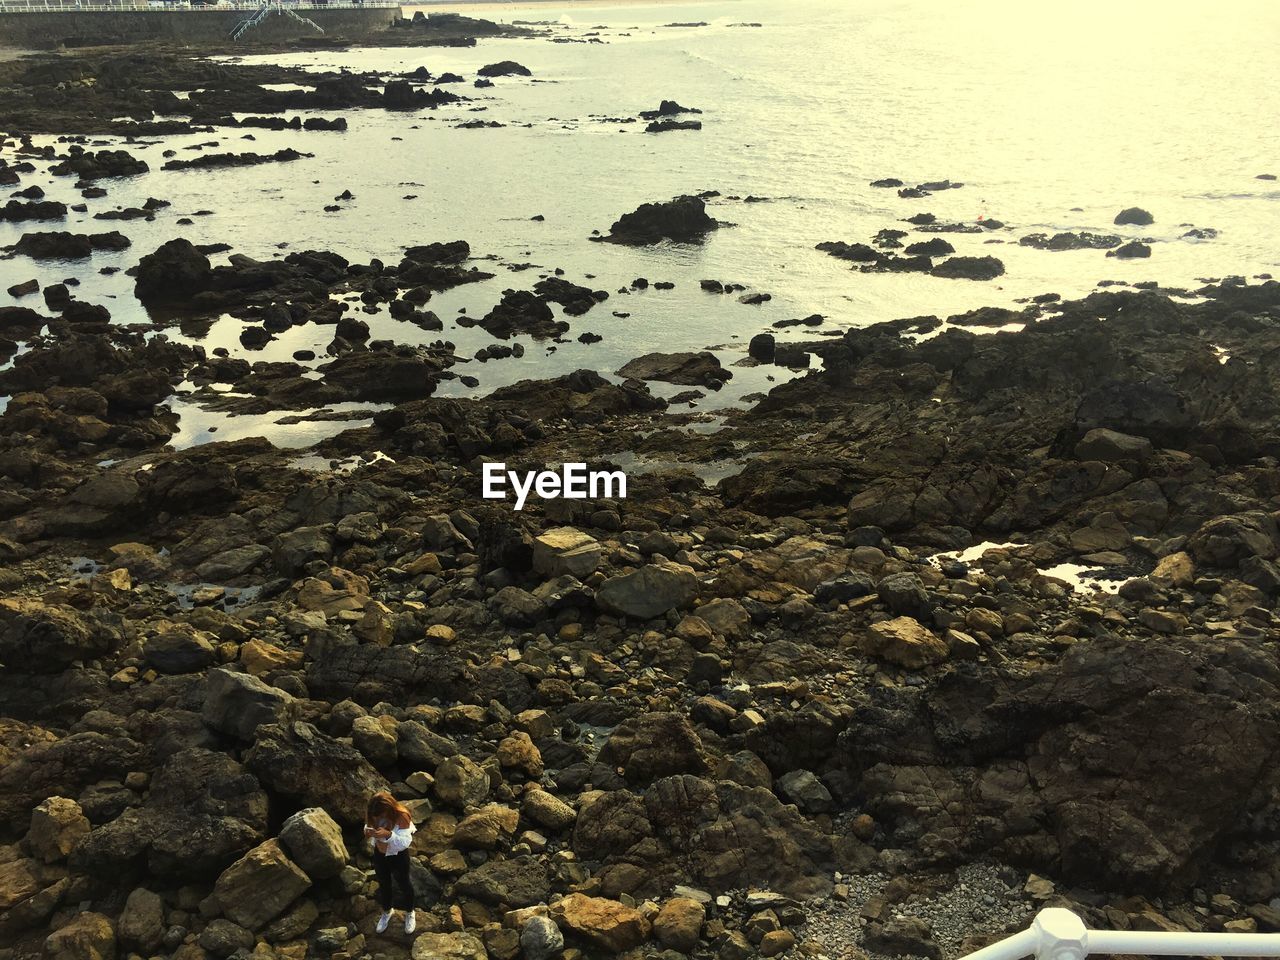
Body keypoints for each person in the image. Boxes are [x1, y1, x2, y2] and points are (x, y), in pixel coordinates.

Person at [363, 791, 417, 934]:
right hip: (380, 854)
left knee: (404, 883)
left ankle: (410, 912)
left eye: (381, 815)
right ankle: (387, 911)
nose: (378, 818)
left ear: (388, 809)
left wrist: (389, 835)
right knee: (384, 883)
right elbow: (368, 825)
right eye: (376, 816)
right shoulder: (373, 812)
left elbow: (406, 842)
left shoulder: (402, 815)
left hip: (398, 855)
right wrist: (368, 832)